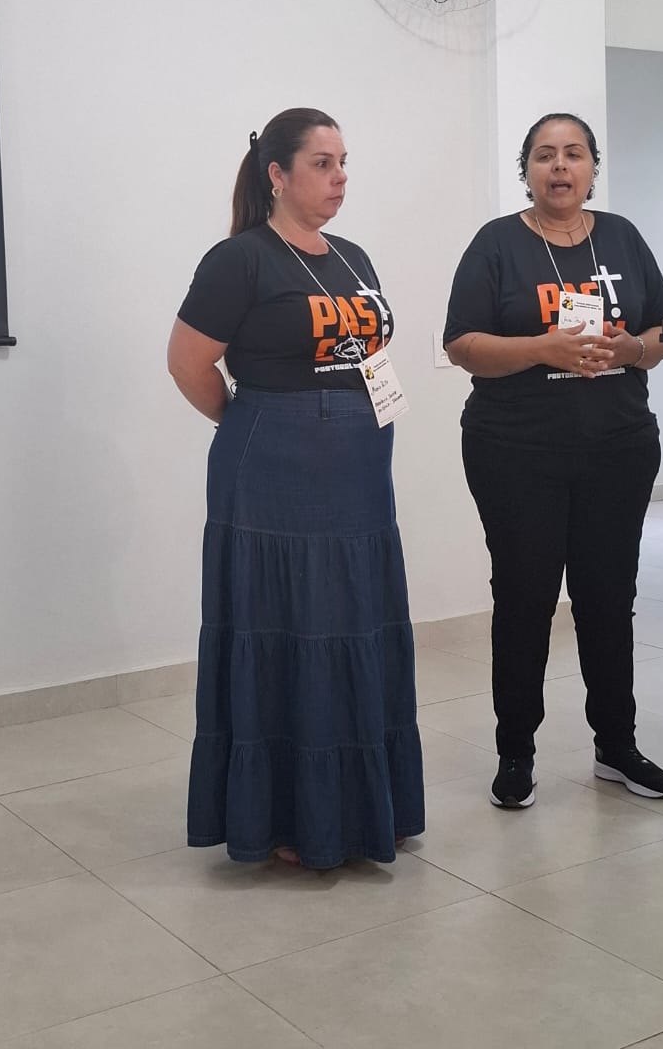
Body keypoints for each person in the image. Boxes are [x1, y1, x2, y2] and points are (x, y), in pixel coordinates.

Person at [167, 107, 424, 867]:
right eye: (322, 163)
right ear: (277, 175)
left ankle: (362, 807)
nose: (340, 177)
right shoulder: (239, 259)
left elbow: (371, 356)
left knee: (353, 622)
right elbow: (188, 363)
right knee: (289, 627)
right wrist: (259, 423)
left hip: (359, 474)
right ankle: (287, 817)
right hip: (274, 474)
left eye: (344, 163)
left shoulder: (353, 257)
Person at [443, 112, 663, 809]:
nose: (560, 167)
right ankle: (515, 753)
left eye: (574, 154)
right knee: (525, 599)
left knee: (609, 597)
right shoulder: (496, 244)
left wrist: (633, 349)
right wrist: (542, 349)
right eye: (545, 155)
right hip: (516, 453)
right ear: (526, 170)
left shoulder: (623, 237)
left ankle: (617, 746)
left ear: (593, 167)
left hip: (619, 449)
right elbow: (463, 345)